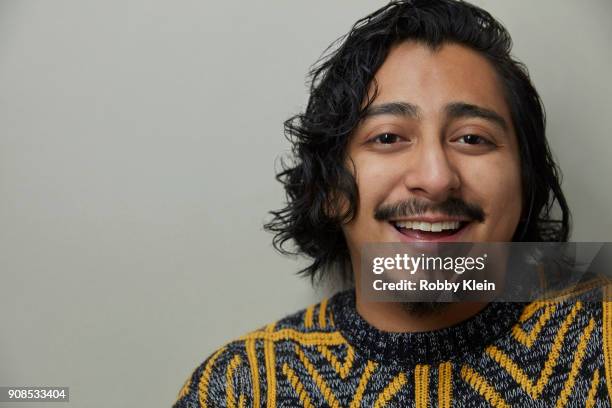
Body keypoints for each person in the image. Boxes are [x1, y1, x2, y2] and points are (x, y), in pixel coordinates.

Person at [173, 1, 612, 406]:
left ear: (525, 180)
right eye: (387, 138)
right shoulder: (239, 388)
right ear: (328, 189)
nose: (436, 179)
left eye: (472, 138)